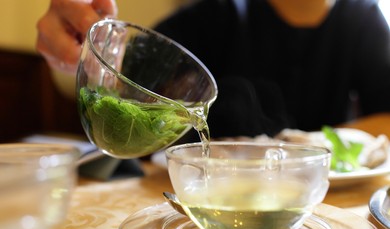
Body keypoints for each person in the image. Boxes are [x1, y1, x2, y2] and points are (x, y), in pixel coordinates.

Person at [36, 0, 390, 139]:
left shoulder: (365, 21)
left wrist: (300, 148)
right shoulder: (218, 15)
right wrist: (74, 46)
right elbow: (119, 67)